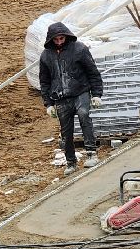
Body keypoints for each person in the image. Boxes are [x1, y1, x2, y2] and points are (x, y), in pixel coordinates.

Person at [38, 20, 104, 172]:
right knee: (66, 131)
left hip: (80, 91)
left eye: (61, 38)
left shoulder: (79, 49)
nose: (59, 42)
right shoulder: (46, 56)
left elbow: (93, 72)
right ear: (51, 40)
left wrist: (96, 94)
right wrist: (48, 104)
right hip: (60, 97)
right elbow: (44, 81)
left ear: (66, 36)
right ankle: (71, 162)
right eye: (56, 39)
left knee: (84, 115)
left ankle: (91, 153)